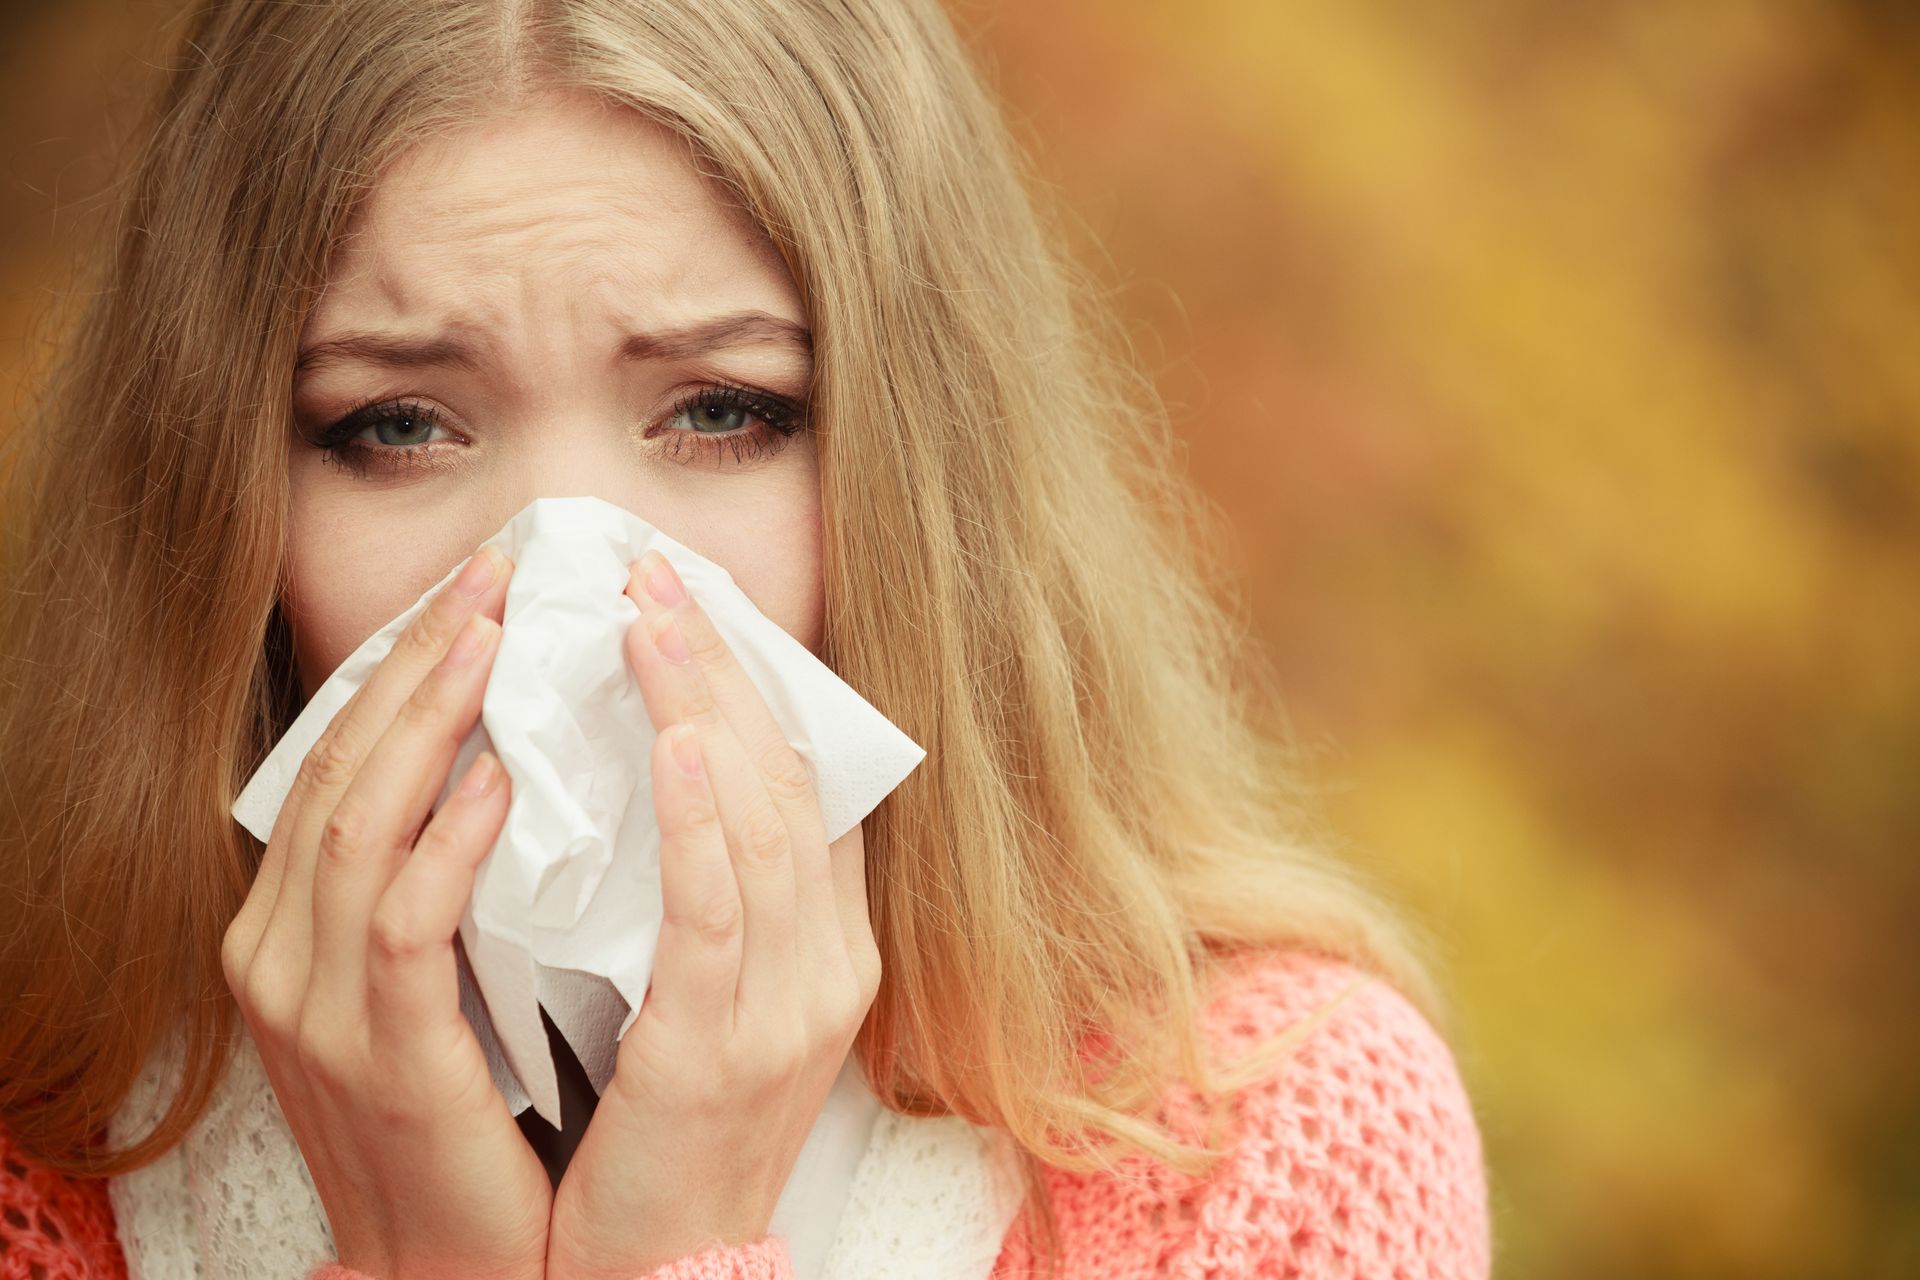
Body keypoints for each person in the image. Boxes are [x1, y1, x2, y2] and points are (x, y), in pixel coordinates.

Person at [0, 1, 1491, 1276]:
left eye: (722, 412)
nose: (557, 586)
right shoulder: (41, 1169)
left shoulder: (1261, 1143)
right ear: (208, 501)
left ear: (920, 476)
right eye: (396, 425)